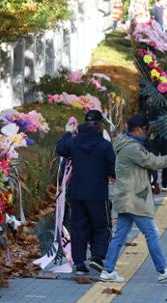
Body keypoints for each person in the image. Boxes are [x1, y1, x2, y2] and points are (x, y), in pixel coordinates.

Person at [100, 114, 167, 283]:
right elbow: (154, 162)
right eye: (146, 129)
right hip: (134, 199)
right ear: (139, 130)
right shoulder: (133, 148)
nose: (147, 133)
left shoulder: (123, 141)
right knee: (151, 233)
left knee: (120, 236)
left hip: (125, 196)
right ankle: (163, 270)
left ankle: (108, 271)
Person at [56, 110, 116, 275]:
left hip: (77, 193)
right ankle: (97, 257)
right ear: (99, 126)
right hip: (98, 194)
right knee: (101, 226)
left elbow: (60, 149)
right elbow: (112, 168)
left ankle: (80, 263)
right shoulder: (105, 145)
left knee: (78, 227)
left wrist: (68, 133)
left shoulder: (74, 142)